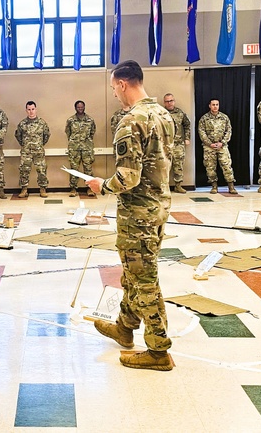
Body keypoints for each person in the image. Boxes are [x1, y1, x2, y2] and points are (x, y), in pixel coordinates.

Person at [87, 60, 174, 371]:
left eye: (114, 88)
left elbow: (128, 177)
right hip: (159, 206)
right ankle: (125, 327)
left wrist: (101, 185)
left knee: (144, 278)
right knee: (134, 272)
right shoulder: (164, 115)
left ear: (123, 84)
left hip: (138, 214)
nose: (115, 94)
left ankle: (158, 350)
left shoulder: (131, 121)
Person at [197, 99, 237, 194]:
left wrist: (222, 143)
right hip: (209, 147)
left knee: (227, 166)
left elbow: (229, 131)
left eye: (217, 104)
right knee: (210, 167)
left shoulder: (224, 117)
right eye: (213, 104)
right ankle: (214, 186)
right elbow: (201, 132)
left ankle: (231, 186)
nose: (215, 106)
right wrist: (209, 143)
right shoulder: (204, 118)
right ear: (209, 106)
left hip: (222, 146)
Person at [15, 101, 50, 198]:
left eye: (33, 109)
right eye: (29, 109)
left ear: (36, 109)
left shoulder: (42, 123)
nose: (31, 112)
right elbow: (18, 136)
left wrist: (40, 144)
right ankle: (24, 189)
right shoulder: (22, 124)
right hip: (26, 152)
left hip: (39, 151)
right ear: (26, 110)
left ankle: (43, 189)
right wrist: (25, 145)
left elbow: (46, 135)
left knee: (42, 170)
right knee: (24, 171)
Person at [65, 100, 96, 197]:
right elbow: (68, 133)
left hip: (87, 148)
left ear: (84, 107)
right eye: (78, 107)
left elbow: (92, 132)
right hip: (74, 149)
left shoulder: (90, 120)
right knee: (74, 169)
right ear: (75, 108)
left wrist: (87, 142)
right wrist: (74, 142)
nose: (80, 109)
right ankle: (73, 188)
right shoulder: (70, 120)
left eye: (82, 107)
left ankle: (89, 188)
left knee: (88, 169)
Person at [163, 93, 191, 194]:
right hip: (164, 144)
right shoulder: (160, 113)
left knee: (178, 165)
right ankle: (164, 187)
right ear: (164, 102)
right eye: (167, 101)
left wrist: (187, 138)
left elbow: (187, 125)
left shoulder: (180, 113)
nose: (169, 103)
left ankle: (178, 186)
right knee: (163, 166)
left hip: (178, 144)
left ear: (174, 101)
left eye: (171, 101)